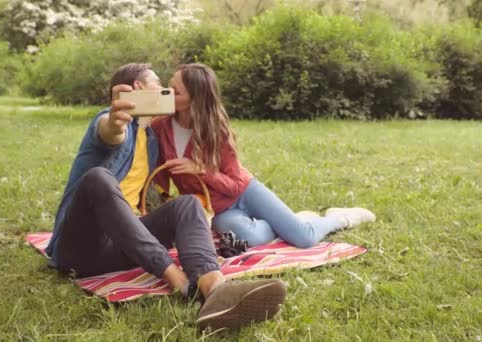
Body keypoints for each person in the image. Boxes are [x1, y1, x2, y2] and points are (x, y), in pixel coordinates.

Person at [44, 63, 286, 332]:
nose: (166, 91)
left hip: (123, 245)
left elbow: (156, 188)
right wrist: (114, 122)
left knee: (188, 203)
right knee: (98, 178)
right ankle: (176, 278)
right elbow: (110, 134)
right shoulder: (109, 119)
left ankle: (215, 290)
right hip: (79, 250)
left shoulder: (151, 138)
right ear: (138, 88)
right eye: (159, 84)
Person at [151, 63, 376, 249]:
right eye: (168, 87)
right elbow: (160, 176)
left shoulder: (216, 131)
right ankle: (291, 221)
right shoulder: (160, 127)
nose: (167, 94)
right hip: (216, 210)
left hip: (245, 192)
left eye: (175, 91)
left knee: (304, 239)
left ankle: (338, 218)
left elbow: (236, 185)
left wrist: (202, 171)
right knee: (253, 240)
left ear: (195, 98)